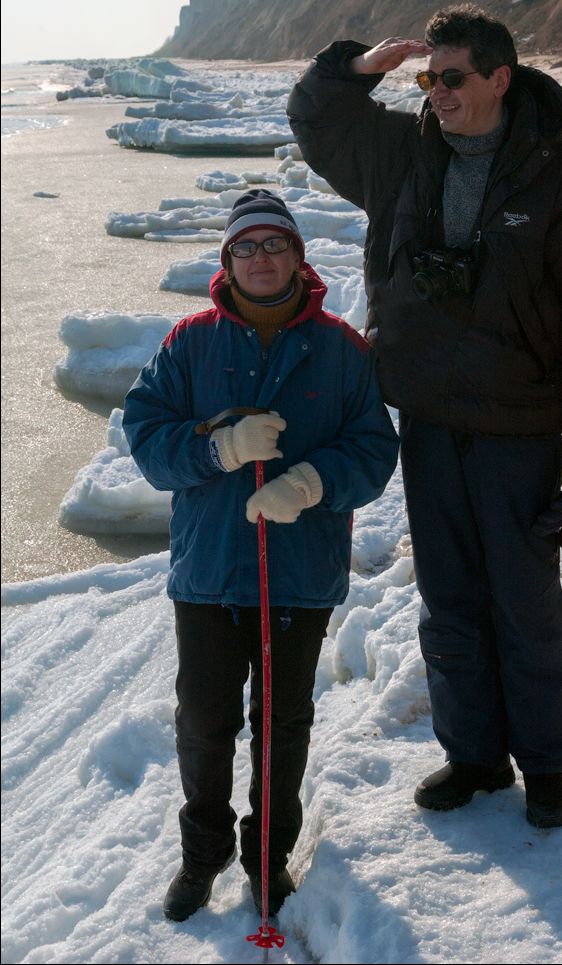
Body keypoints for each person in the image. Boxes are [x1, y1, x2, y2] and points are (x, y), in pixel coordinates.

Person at [287, 5, 562, 828]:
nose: (437, 94)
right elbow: (315, 120)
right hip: (427, 417)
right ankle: (475, 757)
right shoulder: (401, 156)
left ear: (500, 79)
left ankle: (549, 768)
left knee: (523, 601)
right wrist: (356, 68)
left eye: (453, 78)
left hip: (518, 424)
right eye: (428, 78)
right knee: (449, 597)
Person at [123, 189, 399, 921]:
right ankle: (201, 855)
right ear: (227, 261)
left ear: (298, 256)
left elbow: (374, 450)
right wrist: (216, 447)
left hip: (299, 576)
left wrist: (311, 482)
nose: (261, 258)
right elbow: (148, 441)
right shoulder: (190, 341)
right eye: (245, 248)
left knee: (283, 722)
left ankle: (266, 857)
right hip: (209, 573)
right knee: (206, 722)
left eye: (274, 244)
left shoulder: (343, 348)